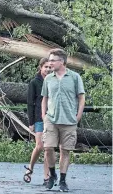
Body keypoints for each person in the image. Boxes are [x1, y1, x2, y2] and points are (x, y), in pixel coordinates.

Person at [42, 48, 85, 192]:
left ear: (62, 61)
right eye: (49, 60)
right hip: (51, 119)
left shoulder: (74, 77)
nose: (50, 63)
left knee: (65, 151)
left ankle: (63, 180)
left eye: (53, 60)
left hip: (69, 120)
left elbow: (81, 97)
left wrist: (78, 116)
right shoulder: (48, 78)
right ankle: (52, 175)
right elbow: (44, 98)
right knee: (48, 148)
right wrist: (44, 116)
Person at [23, 58, 50, 185]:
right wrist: (31, 122)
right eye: (46, 67)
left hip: (52, 119)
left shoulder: (54, 81)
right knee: (40, 146)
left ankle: (46, 177)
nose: (48, 70)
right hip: (39, 118)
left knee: (48, 148)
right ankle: (30, 168)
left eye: (50, 67)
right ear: (40, 67)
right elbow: (30, 103)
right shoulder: (34, 82)